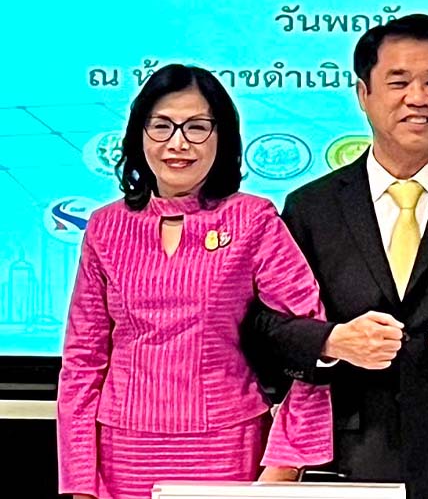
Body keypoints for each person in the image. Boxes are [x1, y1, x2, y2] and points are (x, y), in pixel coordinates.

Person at [242, 14, 428, 498]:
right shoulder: (313, 207)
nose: (419, 97)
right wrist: (332, 341)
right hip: (350, 458)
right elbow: (264, 325)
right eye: (399, 81)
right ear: (363, 94)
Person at [57, 64, 333, 499]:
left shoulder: (253, 219)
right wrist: (80, 483)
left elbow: (313, 343)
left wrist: (285, 464)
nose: (178, 143)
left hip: (229, 450)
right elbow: (82, 362)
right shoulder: (104, 227)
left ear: (222, 137)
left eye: (197, 127)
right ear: (139, 135)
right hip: (121, 455)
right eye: (162, 126)